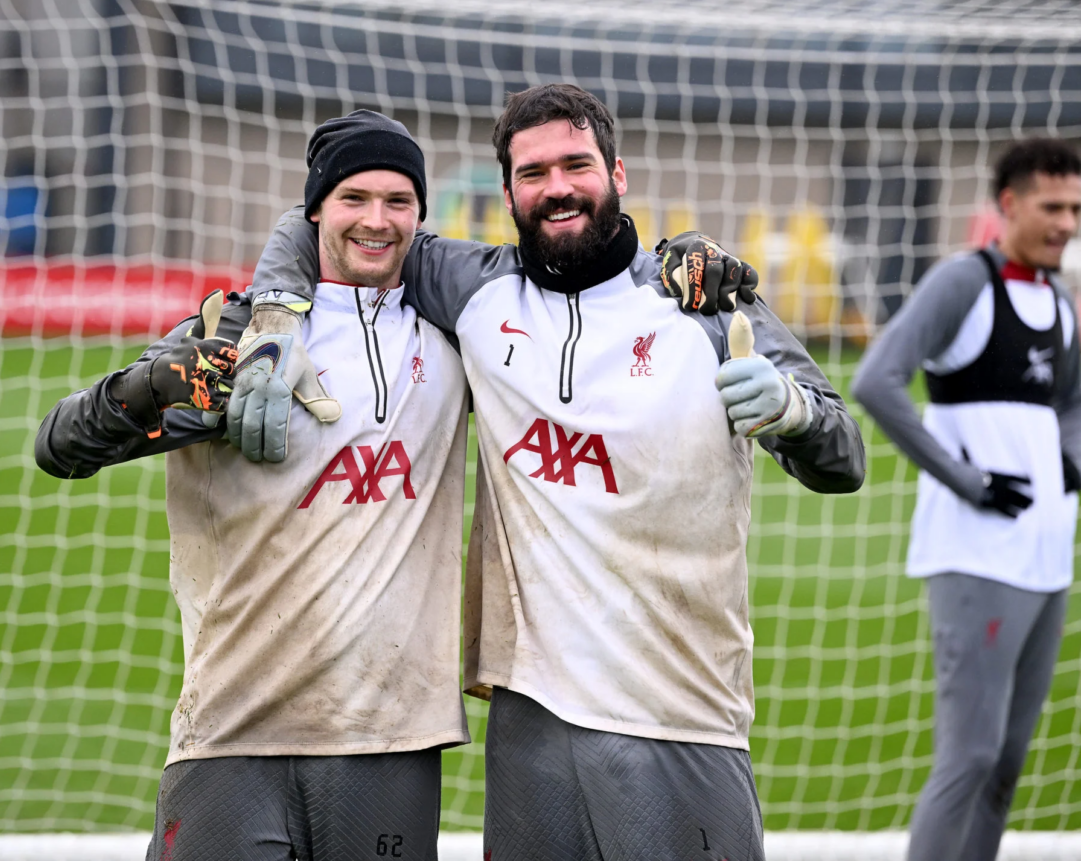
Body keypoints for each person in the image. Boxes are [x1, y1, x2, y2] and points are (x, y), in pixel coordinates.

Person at [239, 84, 865, 861]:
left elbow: (843, 458)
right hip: (531, 723)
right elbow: (333, 220)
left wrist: (792, 412)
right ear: (507, 192)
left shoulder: (702, 301)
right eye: (533, 173)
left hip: (682, 710)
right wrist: (272, 315)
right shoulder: (467, 285)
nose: (557, 187)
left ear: (617, 173)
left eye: (576, 164)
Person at [35, 110, 472, 861]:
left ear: (420, 215)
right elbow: (59, 447)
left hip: (392, 730)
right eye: (353, 199)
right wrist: (145, 388)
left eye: (398, 201)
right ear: (314, 211)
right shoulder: (233, 333)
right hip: (231, 725)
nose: (377, 220)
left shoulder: (456, 341)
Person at [853, 138, 1081, 861]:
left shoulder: (1059, 300)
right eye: (1052, 207)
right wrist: (968, 481)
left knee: (1006, 764)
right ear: (1007, 205)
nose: (1066, 223)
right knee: (968, 758)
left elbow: (1071, 403)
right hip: (975, 556)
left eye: (1075, 208)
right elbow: (875, 382)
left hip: (1046, 556)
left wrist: (1067, 464)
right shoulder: (962, 282)